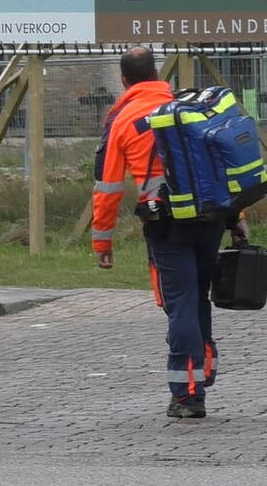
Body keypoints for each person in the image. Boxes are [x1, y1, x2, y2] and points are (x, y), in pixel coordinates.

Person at [92, 47, 246, 419]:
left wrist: (102, 240)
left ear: (125, 79)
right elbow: (217, 168)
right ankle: (202, 367)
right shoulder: (188, 108)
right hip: (209, 219)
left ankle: (187, 394)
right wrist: (235, 218)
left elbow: (108, 187)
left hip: (165, 225)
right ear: (157, 74)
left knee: (179, 305)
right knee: (197, 299)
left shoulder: (124, 119)